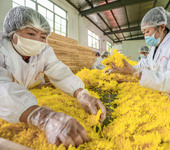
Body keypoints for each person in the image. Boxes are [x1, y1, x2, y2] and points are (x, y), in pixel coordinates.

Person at [0, 6, 106, 148]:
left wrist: (81, 93)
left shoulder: (44, 51)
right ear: (12, 34)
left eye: (43, 37)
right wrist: (43, 117)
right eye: (31, 34)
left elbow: (59, 71)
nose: (38, 40)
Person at [105, 7, 170, 122]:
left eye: (148, 31)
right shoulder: (154, 49)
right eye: (144, 33)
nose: (146, 37)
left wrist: (136, 73)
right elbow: (142, 65)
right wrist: (121, 69)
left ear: (161, 27)